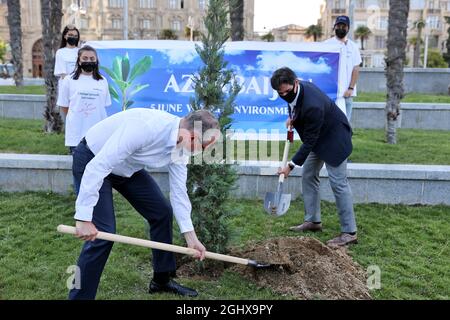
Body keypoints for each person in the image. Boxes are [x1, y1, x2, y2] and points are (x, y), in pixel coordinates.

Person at [68, 108, 220, 299]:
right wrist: (83, 217)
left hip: (126, 168)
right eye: (204, 147)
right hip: (93, 159)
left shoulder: (180, 146)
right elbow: (99, 166)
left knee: (162, 212)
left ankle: (161, 280)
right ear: (192, 137)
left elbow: (179, 192)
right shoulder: (145, 127)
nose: (203, 152)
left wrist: (191, 237)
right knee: (103, 234)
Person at [271, 67, 357, 247]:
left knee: (338, 183)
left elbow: (309, 142)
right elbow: (294, 104)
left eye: (287, 91)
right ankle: (313, 221)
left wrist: (290, 166)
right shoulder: (296, 91)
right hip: (318, 137)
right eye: (280, 93)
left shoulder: (313, 105)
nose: (284, 95)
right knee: (309, 175)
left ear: (295, 83)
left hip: (335, 140)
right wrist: (293, 117)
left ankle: (349, 232)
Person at [56, 45, 111, 193]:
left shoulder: (103, 81)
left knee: (98, 171)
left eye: (92, 59)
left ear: (96, 61)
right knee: (79, 172)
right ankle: (82, 207)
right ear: (79, 61)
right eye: (85, 58)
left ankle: (98, 204)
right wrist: (76, 118)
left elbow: (104, 106)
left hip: (99, 135)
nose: (89, 61)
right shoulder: (69, 80)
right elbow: (64, 106)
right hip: (77, 135)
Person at [323, 16, 362, 122]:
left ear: (348, 28)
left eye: (343, 26)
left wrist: (350, 88)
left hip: (347, 94)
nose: (340, 28)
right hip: (332, 93)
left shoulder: (353, 46)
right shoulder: (326, 45)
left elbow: (356, 68)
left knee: (345, 123)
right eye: (338, 26)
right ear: (334, 27)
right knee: (330, 122)